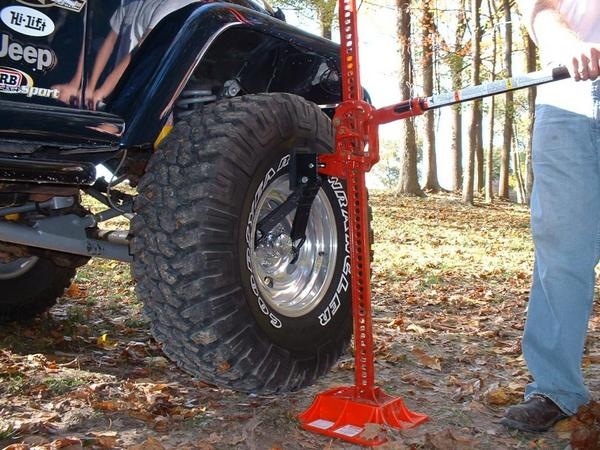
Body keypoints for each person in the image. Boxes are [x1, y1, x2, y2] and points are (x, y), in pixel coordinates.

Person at [501, 0, 600, 433]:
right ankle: (557, 388)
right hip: (567, 100)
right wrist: (569, 44)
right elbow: (540, 8)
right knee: (562, 254)